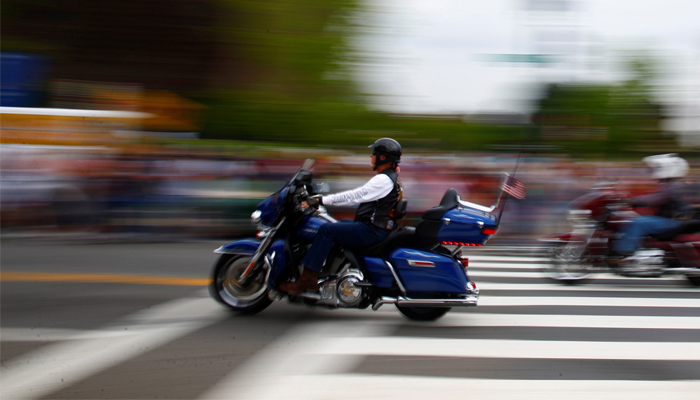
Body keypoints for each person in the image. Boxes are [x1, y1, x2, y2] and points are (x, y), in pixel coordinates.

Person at [279, 138, 404, 293]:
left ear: (382, 157)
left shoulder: (383, 180)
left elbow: (354, 196)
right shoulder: (391, 177)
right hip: (380, 228)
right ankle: (331, 271)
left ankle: (307, 280)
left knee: (326, 230)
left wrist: (320, 200)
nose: (371, 157)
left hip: (373, 232)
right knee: (339, 223)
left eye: (374, 154)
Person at [612, 153, 691, 259]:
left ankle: (623, 254)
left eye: (658, 168)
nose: (655, 171)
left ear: (669, 168)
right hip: (671, 219)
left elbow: (656, 198)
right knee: (633, 219)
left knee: (637, 223)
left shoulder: (675, 185)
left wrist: (630, 201)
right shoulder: (673, 184)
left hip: (672, 221)